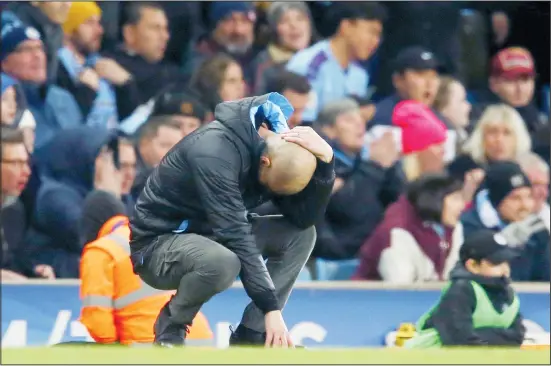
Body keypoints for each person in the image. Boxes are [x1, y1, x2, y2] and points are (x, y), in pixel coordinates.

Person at [129, 93, 335, 347]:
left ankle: (252, 336)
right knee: (223, 261)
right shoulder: (214, 152)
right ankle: (172, 327)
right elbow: (234, 232)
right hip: (158, 246)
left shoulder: (278, 151)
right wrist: (272, 309)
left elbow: (303, 219)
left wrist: (326, 162)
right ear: (264, 161)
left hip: (212, 234)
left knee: (302, 236)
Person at [79, 190, 213, 345]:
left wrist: (114, 347)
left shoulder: (101, 251)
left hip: (150, 345)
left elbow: (98, 322)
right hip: (200, 341)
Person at [310, 99, 402, 260]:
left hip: (370, 251)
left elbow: (397, 200)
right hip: (335, 256)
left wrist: (391, 166)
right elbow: (351, 211)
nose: (360, 125)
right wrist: (375, 167)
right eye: (349, 120)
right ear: (328, 129)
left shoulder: (361, 163)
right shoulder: (317, 162)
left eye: (361, 120)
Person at [405, 230, 525, 348]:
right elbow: (459, 341)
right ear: (472, 265)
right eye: (496, 263)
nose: (505, 269)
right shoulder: (461, 290)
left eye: (506, 262)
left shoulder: (508, 294)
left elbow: (516, 338)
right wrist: (497, 337)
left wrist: (480, 334)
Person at [353, 173, 465, 283]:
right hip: (376, 299)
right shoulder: (397, 232)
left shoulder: (450, 227)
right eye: (455, 199)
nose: (462, 206)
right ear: (434, 199)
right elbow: (401, 290)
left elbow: (452, 276)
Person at [286, 2, 386, 123]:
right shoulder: (309, 63)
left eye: (378, 36)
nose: (375, 41)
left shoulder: (360, 74)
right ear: (346, 26)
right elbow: (300, 122)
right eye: (371, 32)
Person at [459, 161, 549, 282]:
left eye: (528, 196)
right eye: (515, 198)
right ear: (496, 202)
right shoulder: (469, 226)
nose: (525, 205)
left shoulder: (536, 230)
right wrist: (505, 242)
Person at [1, 127, 55, 280]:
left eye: (26, 163)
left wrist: (34, 270)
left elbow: (13, 261)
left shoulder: (14, 210)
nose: (26, 171)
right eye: (16, 163)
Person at [58, 1, 118, 129]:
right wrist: (87, 90)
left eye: (98, 23)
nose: (100, 30)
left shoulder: (100, 63)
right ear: (69, 29)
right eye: (89, 23)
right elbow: (66, 123)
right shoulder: (58, 66)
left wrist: (126, 85)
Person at [252, 2, 313, 95]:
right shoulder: (263, 64)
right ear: (273, 29)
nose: (294, 25)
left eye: (300, 19)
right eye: (284, 21)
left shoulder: (322, 54)